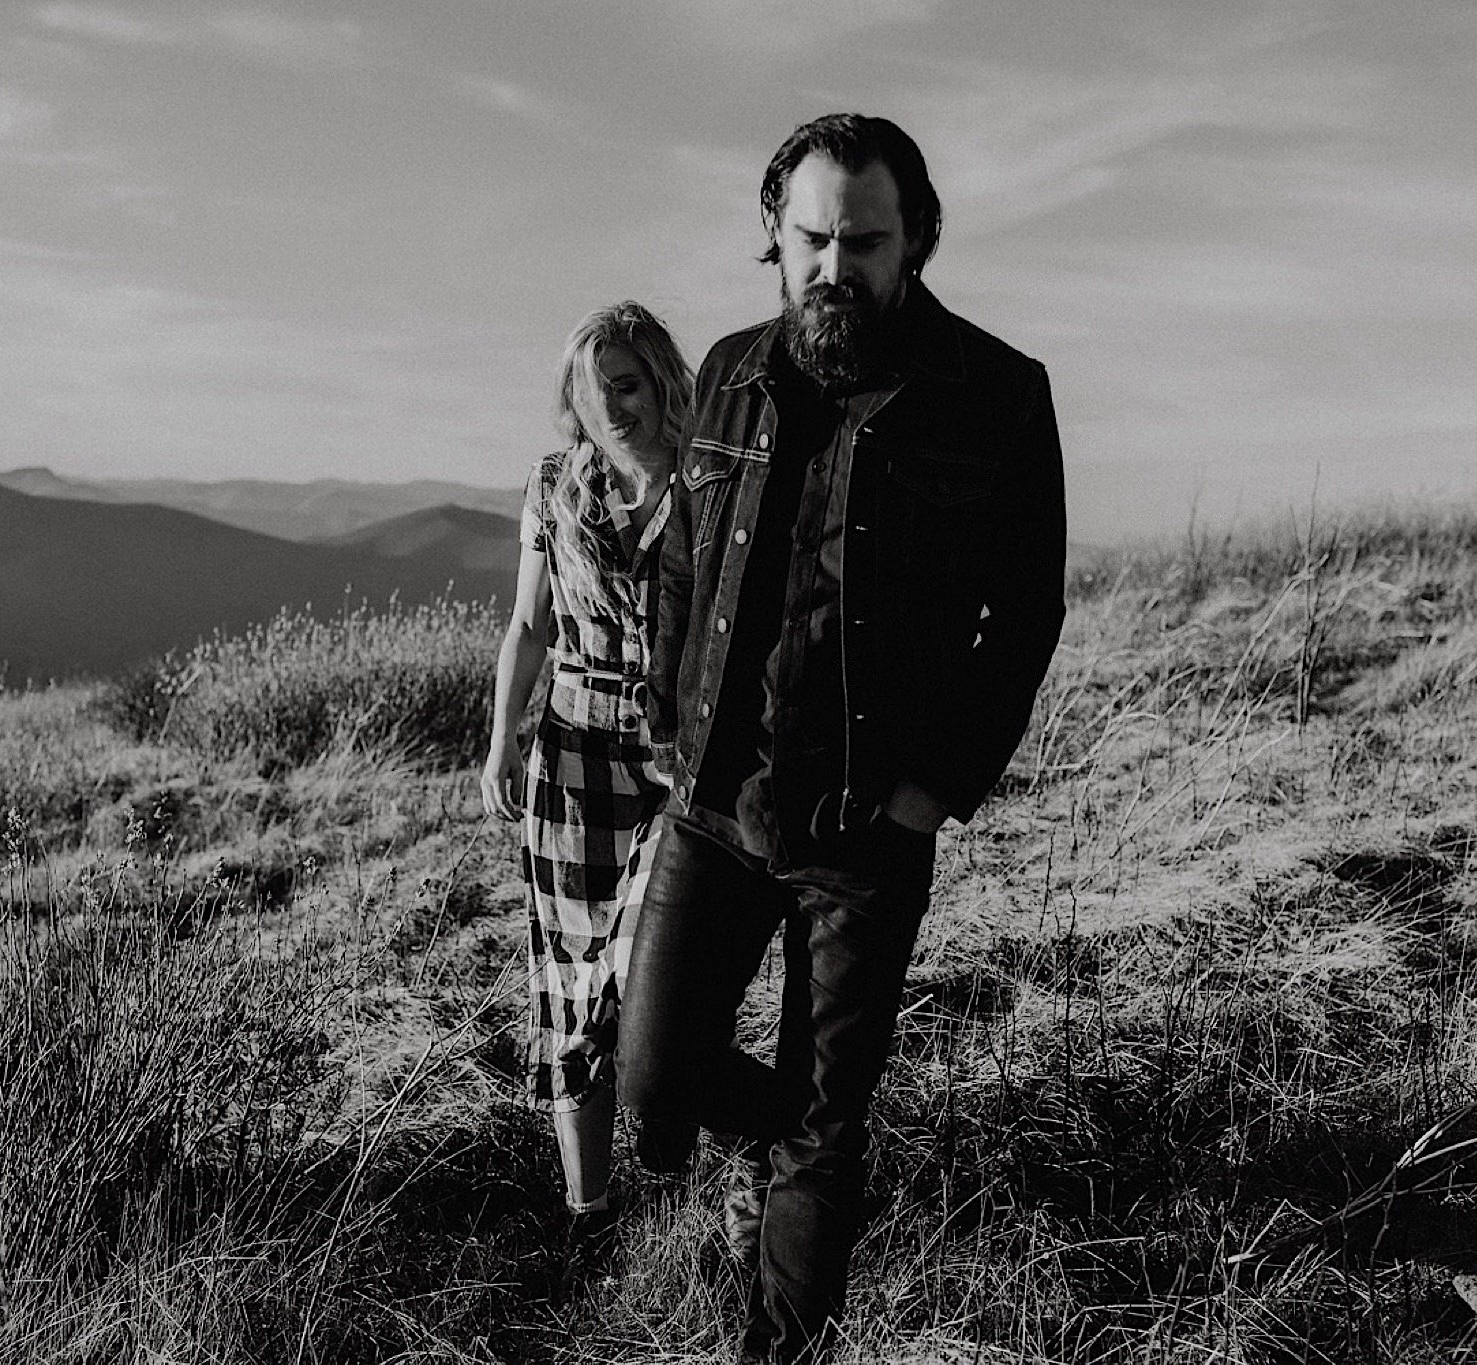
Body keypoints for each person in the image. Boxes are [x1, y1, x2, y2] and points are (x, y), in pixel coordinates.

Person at [617, 114, 1068, 1362]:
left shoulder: (995, 394)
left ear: (912, 242)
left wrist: (935, 788)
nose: (832, 266)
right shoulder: (722, 372)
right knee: (652, 1091)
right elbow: (683, 565)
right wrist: (665, 717)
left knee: (827, 1123)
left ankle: (782, 1323)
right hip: (713, 803)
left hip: (865, 828)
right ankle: (800, 1152)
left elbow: (1024, 610)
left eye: (860, 242)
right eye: (809, 238)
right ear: (773, 234)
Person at [481, 300, 694, 1250]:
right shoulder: (554, 487)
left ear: (660, 382)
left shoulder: (706, 484)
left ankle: (675, 1140)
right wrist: (499, 744)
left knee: (656, 967)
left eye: (627, 383)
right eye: (592, 388)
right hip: (569, 760)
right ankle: (590, 1216)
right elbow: (527, 628)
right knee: (572, 996)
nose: (612, 406)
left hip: (680, 767)